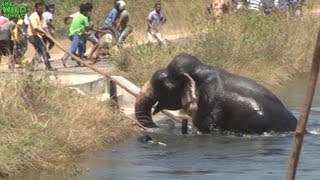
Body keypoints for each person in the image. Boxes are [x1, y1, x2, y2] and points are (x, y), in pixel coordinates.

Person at [28, 2, 54, 71]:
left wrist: (48, 33)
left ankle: (31, 66)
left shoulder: (42, 16)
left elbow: (44, 26)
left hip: (38, 35)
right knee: (43, 49)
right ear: (36, 8)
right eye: (39, 9)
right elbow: (35, 28)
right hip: (32, 35)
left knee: (40, 51)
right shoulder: (33, 16)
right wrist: (44, 32)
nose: (41, 10)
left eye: (42, 9)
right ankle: (48, 67)